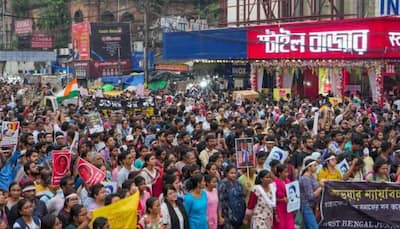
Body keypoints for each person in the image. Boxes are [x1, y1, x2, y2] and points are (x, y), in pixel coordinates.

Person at [218, 165, 246, 229]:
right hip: (227, 214)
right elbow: (220, 201)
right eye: (231, 173)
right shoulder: (222, 184)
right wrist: (220, 217)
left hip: (238, 214)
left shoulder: (238, 183)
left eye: (235, 173)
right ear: (226, 173)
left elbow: (242, 196)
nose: (233, 175)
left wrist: (246, 189)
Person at [299, 159, 323, 229]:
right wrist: (320, 188)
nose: (316, 167)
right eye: (314, 165)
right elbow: (310, 196)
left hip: (312, 206)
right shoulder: (305, 179)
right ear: (309, 167)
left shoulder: (312, 177)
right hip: (306, 206)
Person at [273, 164, 294, 229]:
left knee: (290, 226)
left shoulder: (288, 181)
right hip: (279, 210)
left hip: (288, 209)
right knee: (281, 226)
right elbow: (272, 199)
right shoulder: (274, 183)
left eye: (287, 172)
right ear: (279, 173)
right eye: (285, 172)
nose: (287, 174)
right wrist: (281, 200)